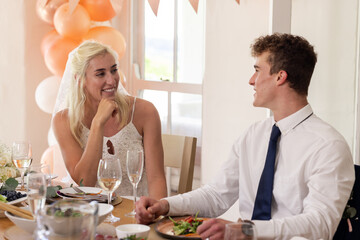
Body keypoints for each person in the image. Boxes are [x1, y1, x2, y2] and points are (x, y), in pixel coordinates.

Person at [135, 33, 356, 239]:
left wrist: (248, 230)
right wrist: (165, 205)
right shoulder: (254, 135)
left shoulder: (329, 146)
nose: (251, 80)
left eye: (258, 70)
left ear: (280, 77)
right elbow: (217, 195)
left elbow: (320, 224)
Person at [52, 40, 167, 199]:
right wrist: (98, 122)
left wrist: (154, 216)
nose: (112, 80)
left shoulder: (145, 111)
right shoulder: (63, 120)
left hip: (137, 214)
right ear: (80, 79)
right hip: (93, 215)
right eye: (100, 74)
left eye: (114, 70)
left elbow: (157, 179)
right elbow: (86, 183)